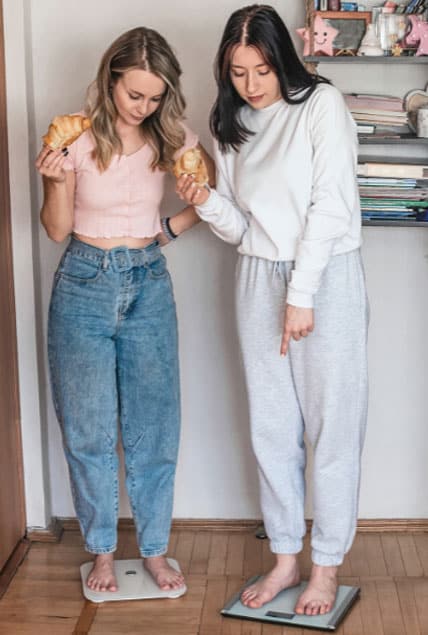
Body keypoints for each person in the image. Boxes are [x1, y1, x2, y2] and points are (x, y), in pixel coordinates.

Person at [177, 4, 368, 617]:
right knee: (271, 427)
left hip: (325, 272)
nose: (252, 86)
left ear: (281, 59)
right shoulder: (229, 121)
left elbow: (331, 206)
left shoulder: (320, 105)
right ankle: (286, 557)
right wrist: (205, 198)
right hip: (258, 274)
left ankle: (326, 566)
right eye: (238, 73)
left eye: (262, 70)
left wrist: (302, 296)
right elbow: (240, 228)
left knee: (333, 426)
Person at [36, 26, 214, 594]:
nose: (144, 106)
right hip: (83, 282)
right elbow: (57, 229)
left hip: (148, 286)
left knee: (155, 428)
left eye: (155, 96)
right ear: (110, 80)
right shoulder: (76, 138)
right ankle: (104, 553)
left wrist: (166, 230)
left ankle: (157, 552)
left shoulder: (174, 139)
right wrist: (53, 181)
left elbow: (211, 202)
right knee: (88, 430)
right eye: (134, 94)